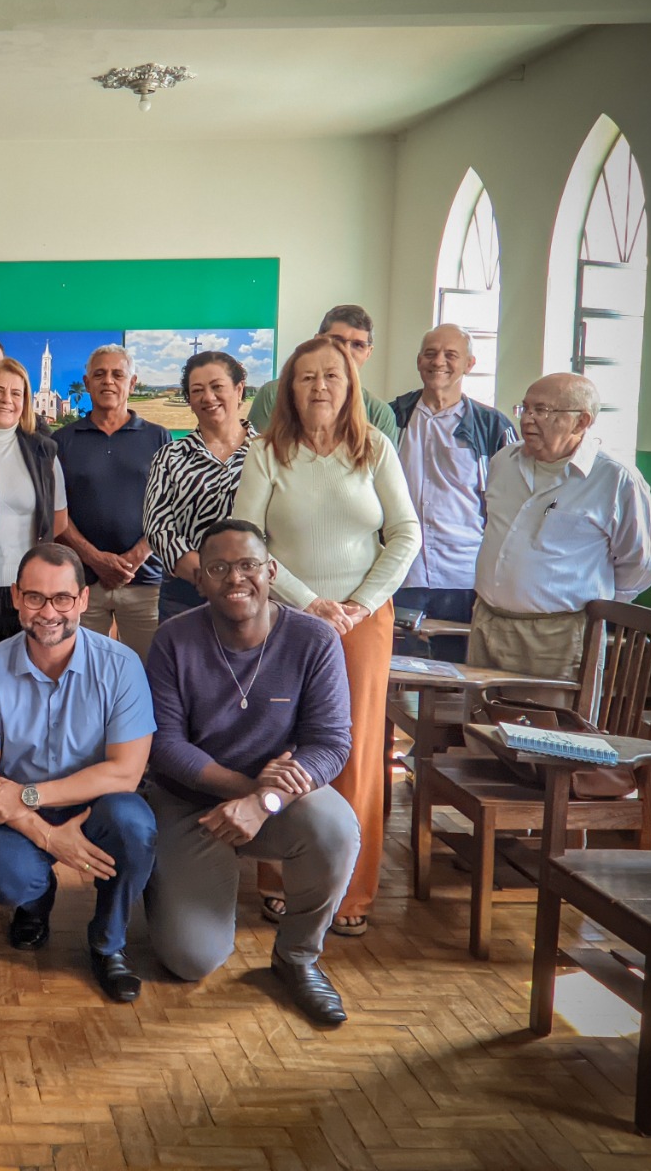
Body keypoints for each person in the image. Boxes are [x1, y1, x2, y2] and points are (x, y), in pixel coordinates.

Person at [232, 336, 419, 938]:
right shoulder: (267, 453)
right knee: (281, 744)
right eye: (306, 376)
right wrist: (309, 602)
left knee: (359, 752)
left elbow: (406, 534)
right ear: (288, 387)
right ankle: (280, 879)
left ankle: (352, 892)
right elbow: (247, 539)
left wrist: (359, 605)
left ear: (350, 385)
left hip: (364, 622)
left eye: (331, 376)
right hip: (284, 620)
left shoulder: (377, 449)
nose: (319, 387)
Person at [143, 520, 359, 1025]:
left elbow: (330, 744)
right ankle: (161, 885)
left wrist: (265, 803)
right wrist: (247, 793)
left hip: (279, 800)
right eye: (218, 568)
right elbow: (165, 745)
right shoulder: (174, 639)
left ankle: (298, 957)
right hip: (189, 804)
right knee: (190, 959)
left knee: (335, 828)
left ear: (272, 572)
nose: (235, 578)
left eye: (248, 565)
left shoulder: (314, 640)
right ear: (200, 580)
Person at [0, 543, 157, 1002]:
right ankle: (35, 903)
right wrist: (49, 837)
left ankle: (109, 943)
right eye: (35, 597)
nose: (49, 612)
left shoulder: (122, 666)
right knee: (7, 877)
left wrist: (29, 795)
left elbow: (125, 774)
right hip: (17, 813)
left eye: (62, 599)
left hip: (92, 805)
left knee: (134, 825)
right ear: (15, 597)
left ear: (83, 600)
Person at [471, 373, 651, 681]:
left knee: (551, 723)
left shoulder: (614, 478)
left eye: (542, 410)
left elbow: (641, 564)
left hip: (559, 635)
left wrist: (589, 611)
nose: (528, 420)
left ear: (581, 421)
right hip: (488, 621)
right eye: (525, 408)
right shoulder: (505, 460)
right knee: (480, 723)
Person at [388, 325, 517, 660]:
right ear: (419, 361)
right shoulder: (391, 418)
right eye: (430, 353)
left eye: (451, 355)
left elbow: (512, 505)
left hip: (464, 576)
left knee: (457, 676)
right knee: (393, 675)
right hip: (401, 571)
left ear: (470, 364)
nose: (438, 362)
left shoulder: (493, 427)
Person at [55, 344, 171, 664]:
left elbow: (170, 509)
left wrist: (133, 559)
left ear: (132, 383)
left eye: (118, 374)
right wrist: (96, 560)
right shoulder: (62, 441)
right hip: (81, 582)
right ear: (87, 382)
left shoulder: (159, 437)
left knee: (152, 675)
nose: (108, 381)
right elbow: (55, 514)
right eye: (99, 374)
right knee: (79, 672)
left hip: (144, 580)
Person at [144, 351, 257, 623]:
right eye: (197, 390)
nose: (208, 397)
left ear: (238, 389)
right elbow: (158, 528)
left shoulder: (270, 453)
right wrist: (206, 575)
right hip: (185, 597)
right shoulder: (169, 456)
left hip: (256, 594)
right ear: (190, 401)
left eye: (217, 387)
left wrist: (235, 578)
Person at [0, 358, 69, 655]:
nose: (6, 400)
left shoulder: (43, 450)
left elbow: (57, 521)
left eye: (16, 393)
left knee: (28, 677)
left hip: (31, 589)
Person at [248, 306, 400, 442]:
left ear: (368, 352)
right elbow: (259, 457)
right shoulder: (273, 395)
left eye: (358, 345)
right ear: (317, 342)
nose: (346, 351)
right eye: (337, 341)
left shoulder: (380, 414)